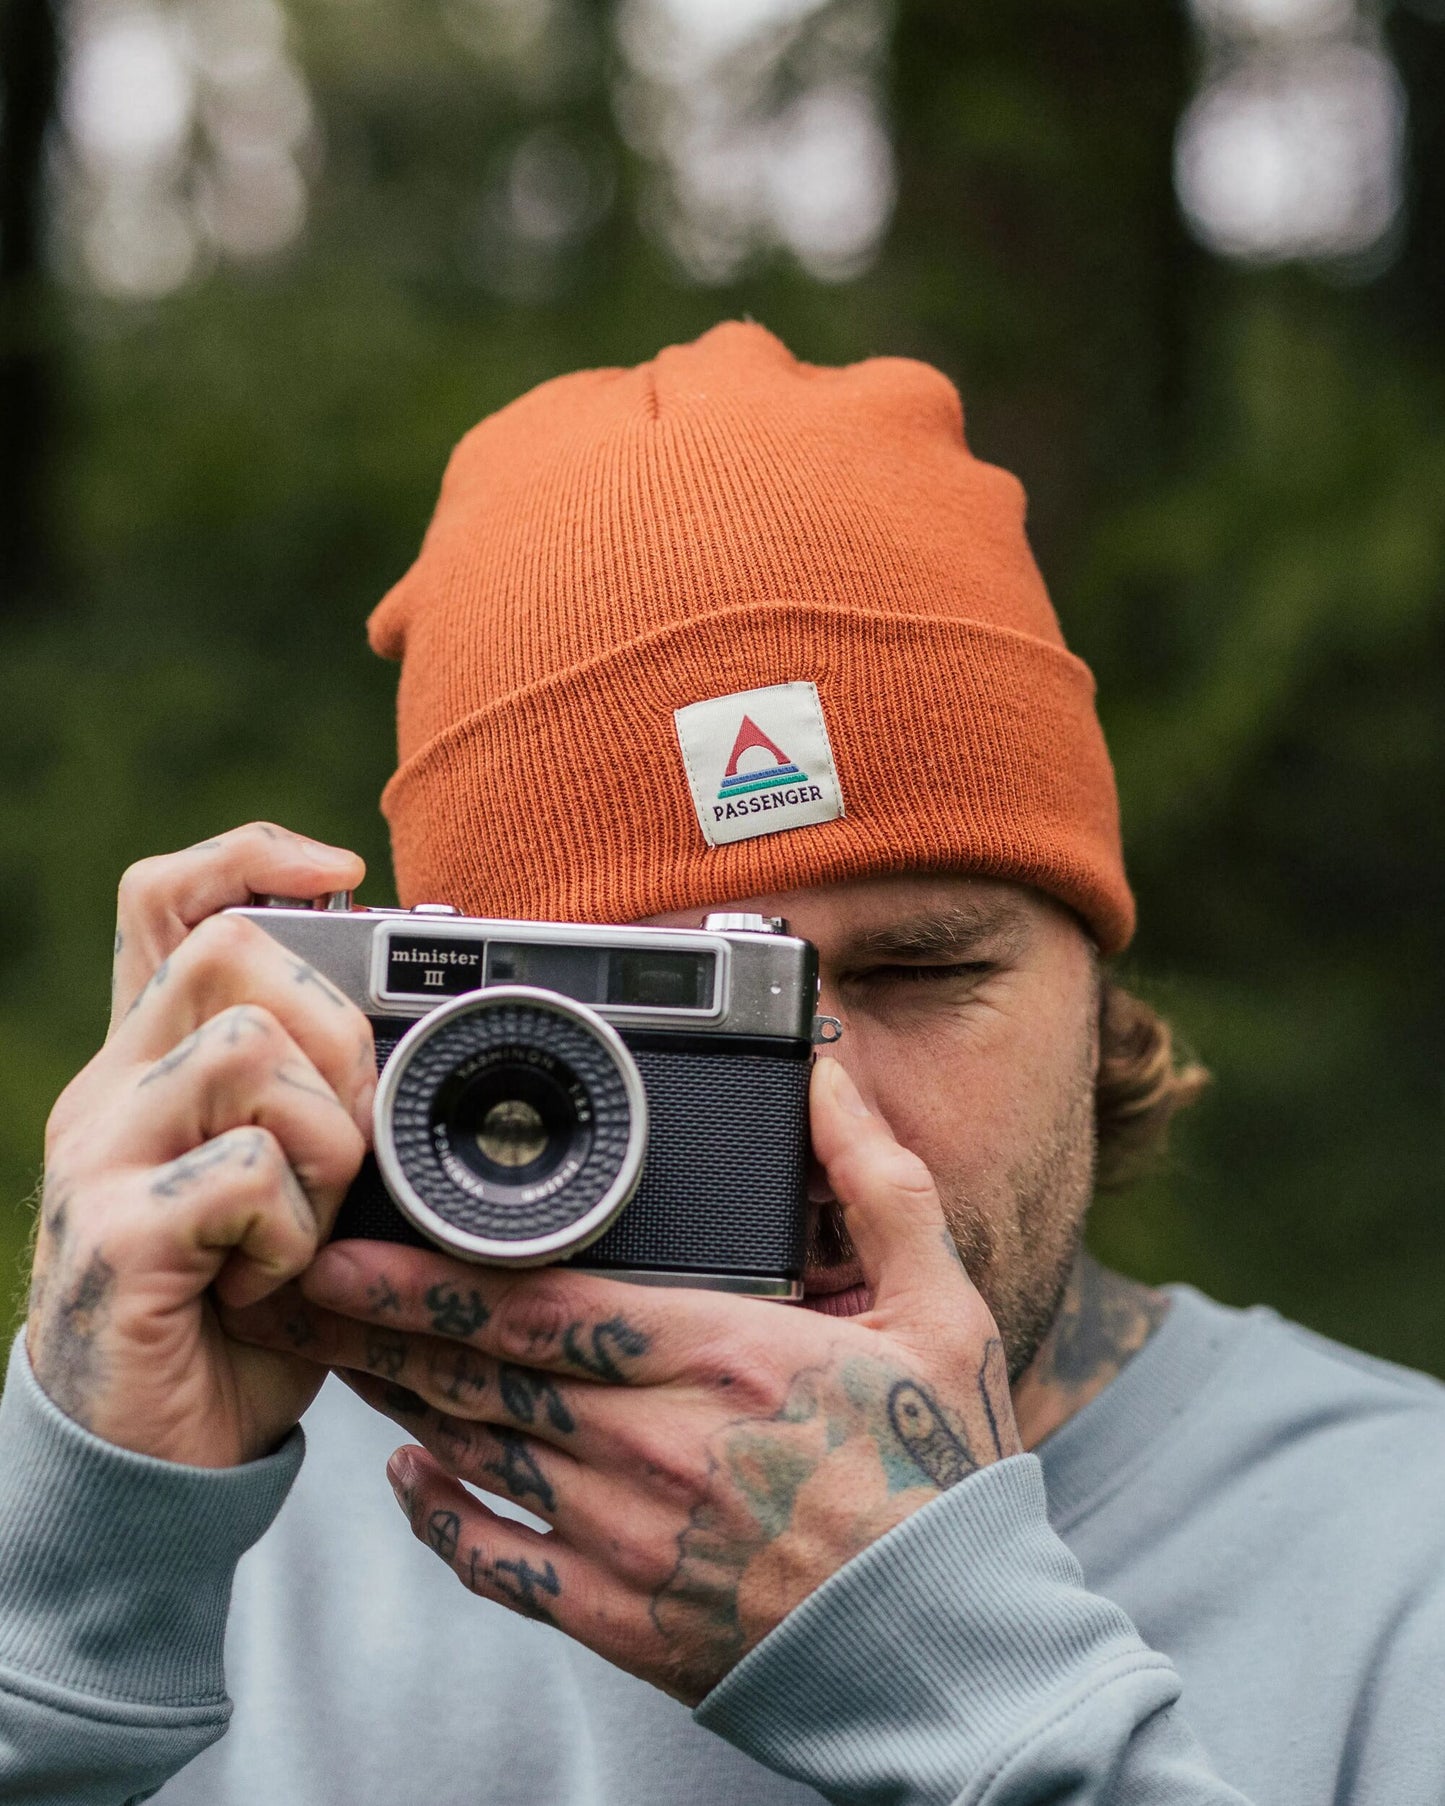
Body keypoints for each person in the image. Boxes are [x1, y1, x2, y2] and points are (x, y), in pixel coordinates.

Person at [2, 322, 1443, 1806]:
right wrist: (64, 1602)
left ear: (1099, 986)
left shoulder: (1404, 1566)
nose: (817, 1124)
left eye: (921, 973)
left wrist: (960, 1672)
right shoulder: (203, 1544)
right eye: (667, 1022)